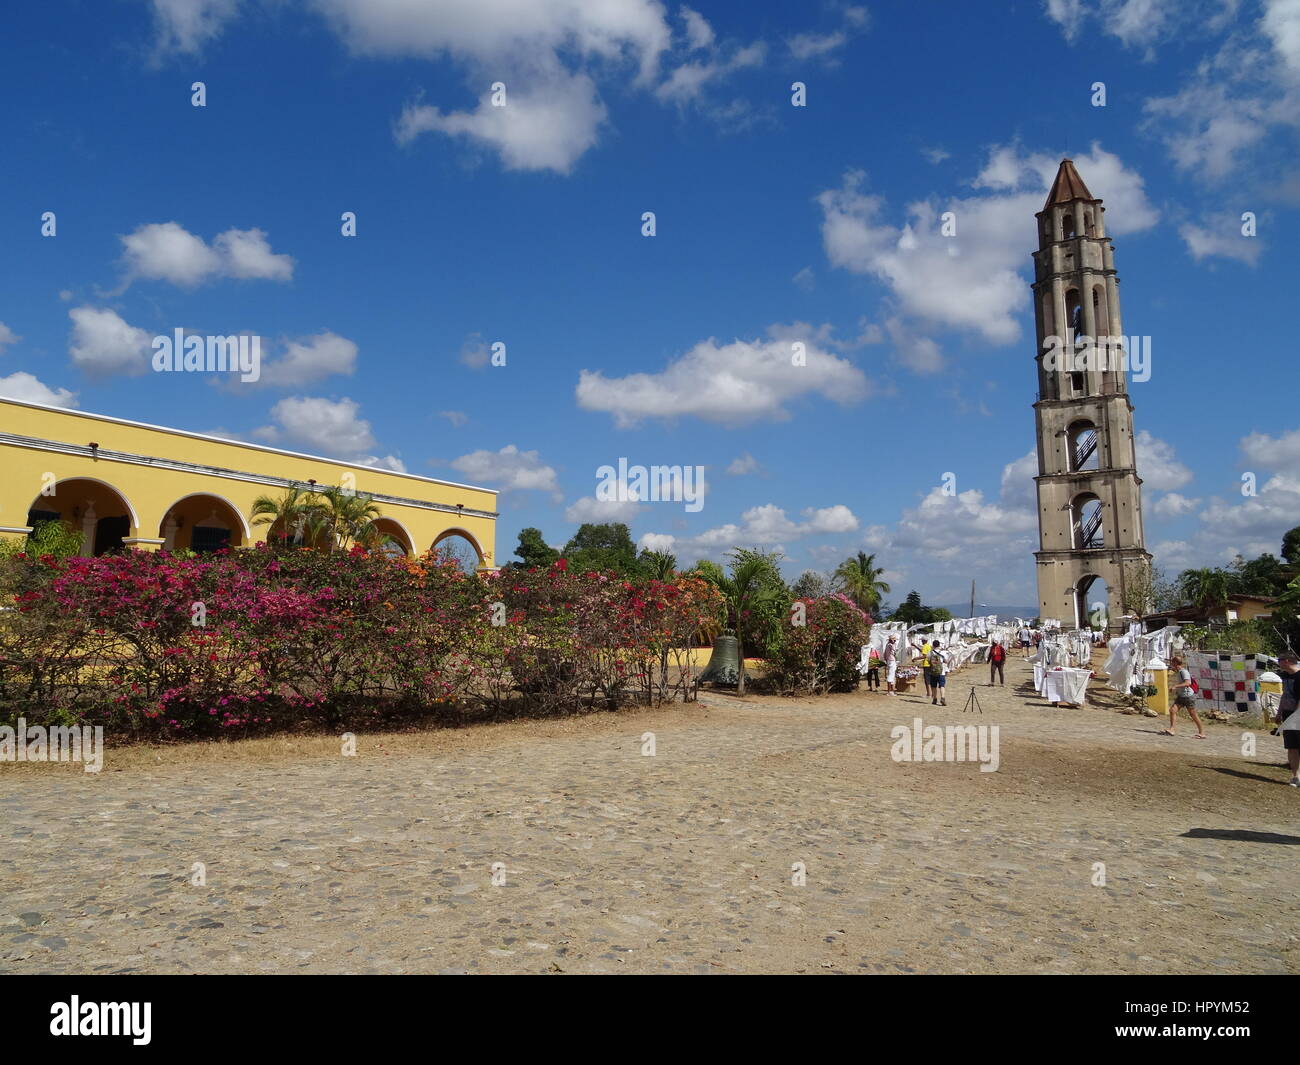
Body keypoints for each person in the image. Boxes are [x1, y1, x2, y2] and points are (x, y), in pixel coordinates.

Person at [1161, 655, 1205, 739]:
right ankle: (1172, 729)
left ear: (1176, 663)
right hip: (1181, 696)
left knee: (1193, 715)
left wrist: (1175, 686)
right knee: (1172, 710)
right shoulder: (1178, 671)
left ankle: (1202, 733)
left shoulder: (1183, 672)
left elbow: (1188, 683)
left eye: (1173, 662)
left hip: (1188, 696)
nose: (1171, 664)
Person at [1274, 652, 1300, 786]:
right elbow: (1284, 695)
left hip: (1298, 715)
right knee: (1292, 746)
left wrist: (1296, 714)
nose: (1278, 662)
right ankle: (1296, 777)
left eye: (1280, 660)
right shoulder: (1285, 676)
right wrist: (1279, 713)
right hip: (1288, 715)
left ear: (1288, 661)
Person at [929, 640, 948, 706]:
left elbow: (928, 660)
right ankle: (942, 697)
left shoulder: (930, 652)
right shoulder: (943, 652)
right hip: (941, 671)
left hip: (933, 671)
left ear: (933, 645)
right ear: (939, 645)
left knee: (933, 686)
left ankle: (935, 698)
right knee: (942, 685)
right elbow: (946, 661)